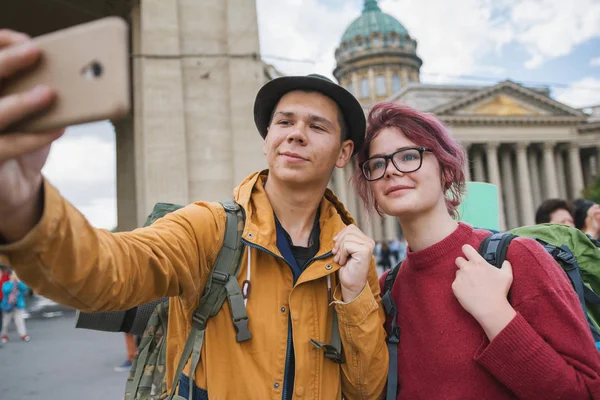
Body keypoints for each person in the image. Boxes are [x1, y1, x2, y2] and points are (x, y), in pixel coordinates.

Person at [0, 30, 387, 399]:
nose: (296, 133)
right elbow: (103, 271)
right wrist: (25, 208)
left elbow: (367, 389)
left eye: (316, 126)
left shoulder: (354, 259)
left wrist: (354, 300)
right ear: (267, 139)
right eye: (285, 122)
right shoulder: (209, 228)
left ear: (343, 153)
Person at [353, 102, 600, 399]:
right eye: (378, 164)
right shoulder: (387, 291)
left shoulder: (518, 259)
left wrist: (497, 315)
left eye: (409, 156)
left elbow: (587, 392)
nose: (391, 170)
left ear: (446, 170)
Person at [1, 270, 30, 343]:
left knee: (19, 321)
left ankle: (23, 335)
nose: (15, 276)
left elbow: (25, 288)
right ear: (10, 276)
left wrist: (18, 282)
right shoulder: (6, 284)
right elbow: (6, 290)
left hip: (18, 305)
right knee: (6, 323)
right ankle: (4, 335)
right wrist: (12, 283)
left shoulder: (19, 283)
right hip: (8, 306)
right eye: (14, 274)